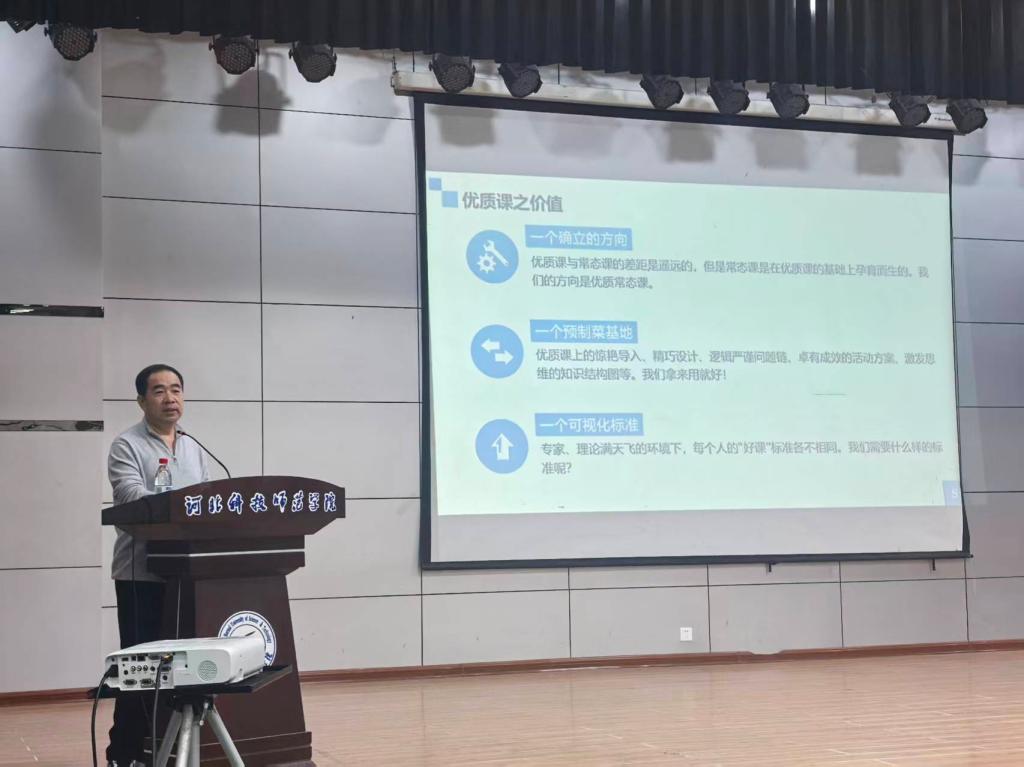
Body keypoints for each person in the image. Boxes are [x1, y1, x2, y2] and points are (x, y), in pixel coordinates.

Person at [106, 364, 208, 767]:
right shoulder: (126, 445)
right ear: (141, 401)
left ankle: (170, 751)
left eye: (176, 389)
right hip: (141, 575)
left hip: (187, 574)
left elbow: (206, 501)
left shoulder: (194, 446)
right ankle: (125, 753)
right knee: (140, 672)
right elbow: (130, 496)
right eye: (160, 391)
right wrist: (180, 502)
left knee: (183, 670)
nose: (170, 398)